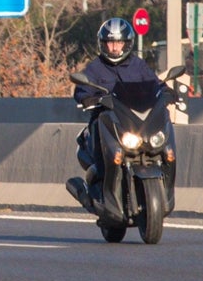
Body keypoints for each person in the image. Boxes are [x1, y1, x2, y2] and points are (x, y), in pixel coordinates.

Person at [71, 17, 174, 210]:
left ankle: (166, 190)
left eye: (118, 42)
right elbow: (82, 88)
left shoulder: (138, 65)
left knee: (165, 145)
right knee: (101, 140)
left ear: (127, 43)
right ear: (103, 44)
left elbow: (154, 84)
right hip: (108, 120)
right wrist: (87, 98)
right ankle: (101, 193)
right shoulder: (95, 67)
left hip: (135, 121)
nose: (114, 47)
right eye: (110, 43)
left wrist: (166, 91)